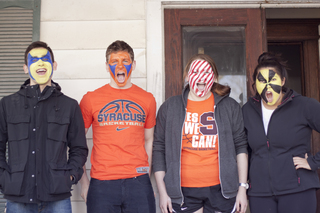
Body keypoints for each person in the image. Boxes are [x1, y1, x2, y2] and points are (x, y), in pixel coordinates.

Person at [153, 54, 248, 213]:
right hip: (182, 191)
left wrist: (242, 189)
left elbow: (241, 147)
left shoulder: (230, 107)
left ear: (215, 77)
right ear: (187, 76)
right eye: (195, 72)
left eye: (206, 72)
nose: (201, 77)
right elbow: (159, 149)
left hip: (222, 190)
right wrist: (163, 193)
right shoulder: (170, 107)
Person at [0, 41, 88, 213]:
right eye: (34, 60)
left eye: (44, 59)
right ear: (25, 68)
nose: (40, 63)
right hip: (18, 198)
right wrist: (4, 179)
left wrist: (70, 177)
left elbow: (79, 148)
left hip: (57, 198)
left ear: (54, 65)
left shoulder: (69, 105)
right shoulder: (7, 105)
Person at [79, 40, 157, 213]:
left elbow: (149, 140)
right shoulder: (90, 99)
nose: (120, 66)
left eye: (125, 61)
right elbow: (77, 141)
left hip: (138, 181)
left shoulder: (148, 99)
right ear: (107, 66)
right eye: (114, 62)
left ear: (133, 64)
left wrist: (145, 178)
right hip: (102, 183)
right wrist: (84, 182)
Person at [242, 52, 320, 213]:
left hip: (298, 190)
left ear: (283, 81)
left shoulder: (304, 105)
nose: (267, 86)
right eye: (262, 81)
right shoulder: (247, 111)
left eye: (273, 80)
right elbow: (243, 148)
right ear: (255, 84)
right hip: (260, 194)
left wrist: (313, 162)